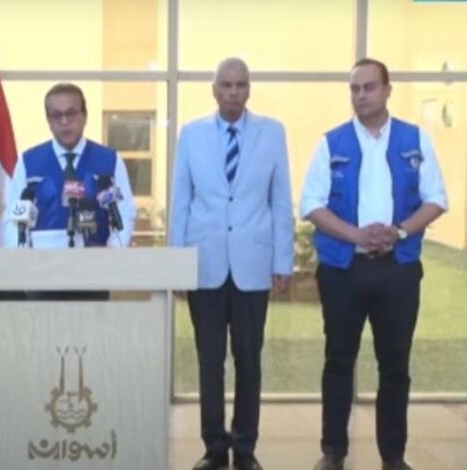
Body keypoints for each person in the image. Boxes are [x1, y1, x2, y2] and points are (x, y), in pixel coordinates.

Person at [302, 58, 447, 470]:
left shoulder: (415, 140)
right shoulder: (331, 143)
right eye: (354, 89)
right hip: (344, 270)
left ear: (387, 90)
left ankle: (393, 456)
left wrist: (398, 232)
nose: (361, 95)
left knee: (395, 365)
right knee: (338, 362)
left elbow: (437, 199)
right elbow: (310, 204)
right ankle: (333, 451)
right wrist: (356, 235)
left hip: (398, 269)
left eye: (368, 87)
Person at [168, 58, 294, 470]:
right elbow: (181, 201)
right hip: (204, 265)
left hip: (252, 266)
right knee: (209, 362)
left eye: (240, 85)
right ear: (214, 89)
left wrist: (283, 261)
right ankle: (214, 448)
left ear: (249, 89)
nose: (233, 92)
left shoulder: (272, 133)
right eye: (226, 85)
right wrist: (176, 263)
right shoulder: (192, 135)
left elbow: (280, 200)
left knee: (248, 361)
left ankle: (244, 448)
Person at [5, 83, 137, 299]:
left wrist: (113, 253)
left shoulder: (109, 161)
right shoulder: (29, 162)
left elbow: (125, 212)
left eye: (71, 113)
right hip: (41, 274)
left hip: (95, 273)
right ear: (48, 121)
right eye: (56, 115)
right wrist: (22, 260)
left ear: (84, 116)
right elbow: (12, 218)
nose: (64, 122)